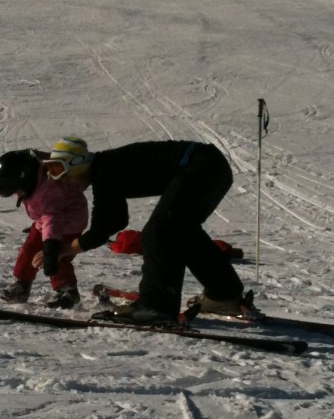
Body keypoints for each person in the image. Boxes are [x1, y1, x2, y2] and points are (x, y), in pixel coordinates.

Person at [35, 138, 251, 325]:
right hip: (211, 166)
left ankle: (155, 307)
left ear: (77, 165)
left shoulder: (105, 172)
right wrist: (70, 248)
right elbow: (115, 221)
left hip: (202, 166)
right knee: (181, 229)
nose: (64, 184)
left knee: (159, 231)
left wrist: (68, 249)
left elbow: (104, 227)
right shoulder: (105, 169)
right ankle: (224, 295)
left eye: (63, 175)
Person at [0, 145, 89, 308]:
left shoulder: (49, 191)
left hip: (69, 222)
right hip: (45, 221)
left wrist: (50, 245)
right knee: (29, 248)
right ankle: (21, 285)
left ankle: (68, 292)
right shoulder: (34, 181)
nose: (18, 195)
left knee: (57, 255)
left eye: (19, 191)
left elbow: (53, 219)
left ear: (26, 180)